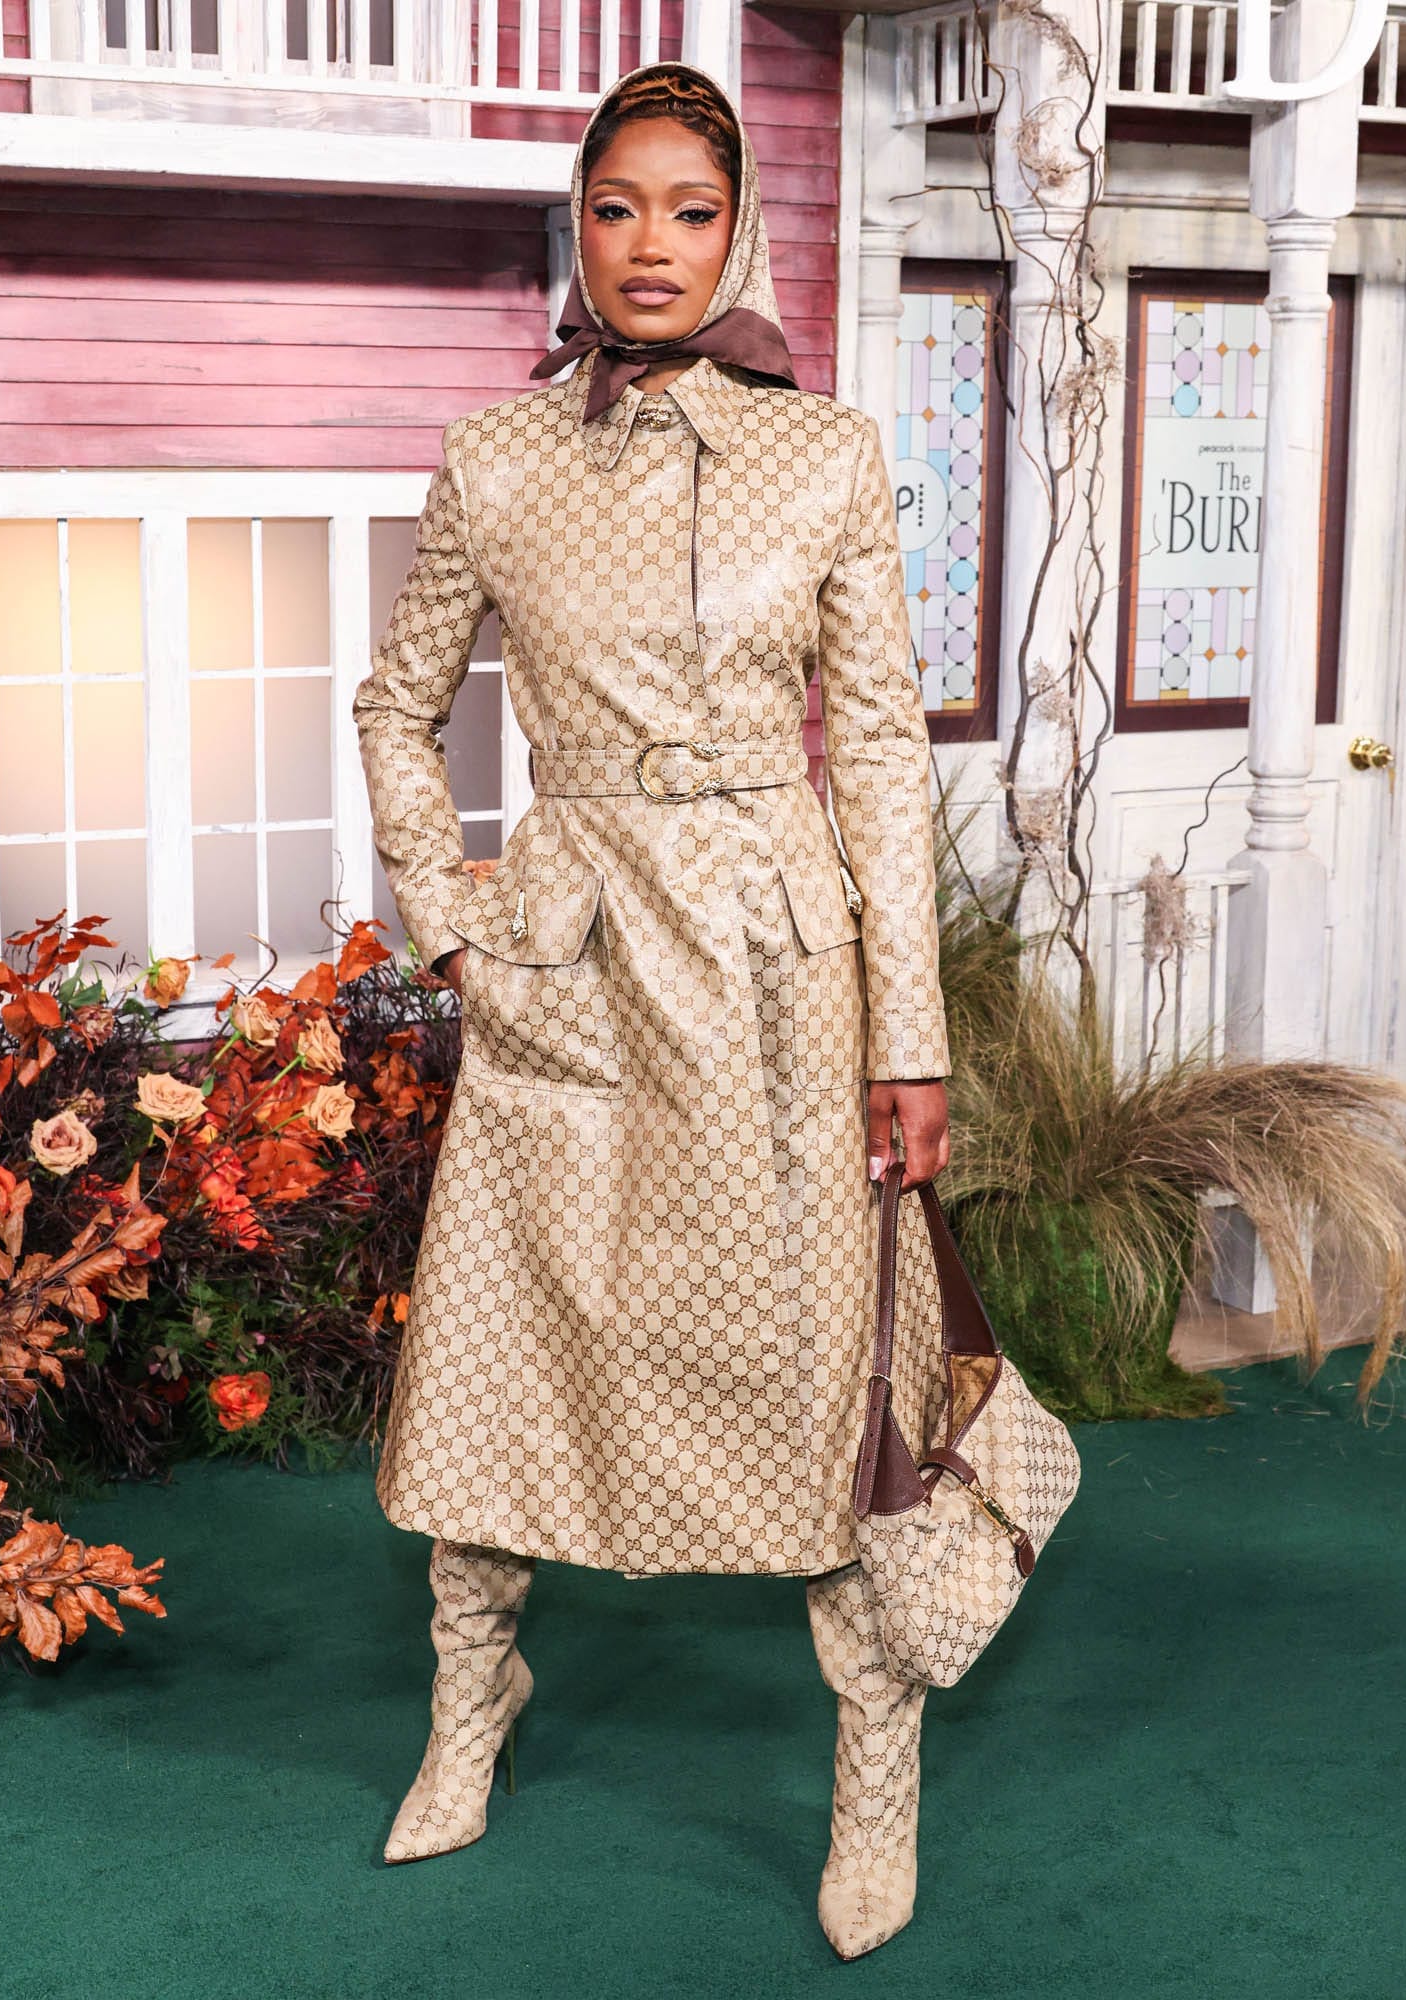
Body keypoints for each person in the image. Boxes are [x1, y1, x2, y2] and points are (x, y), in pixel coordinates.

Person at [352, 60, 951, 1963]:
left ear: (740, 227)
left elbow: (881, 754)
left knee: (824, 1365)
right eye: (617, 209)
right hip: (570, 961)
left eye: (691, 211)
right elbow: (396, 705)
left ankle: (876, 1751)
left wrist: (912, 1035)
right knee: (505, 1340)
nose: (651, 248)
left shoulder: (829, 456)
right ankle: (472, 1701)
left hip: (782, 973)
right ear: (580, 228)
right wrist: (454, 925)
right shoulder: (496, 456)